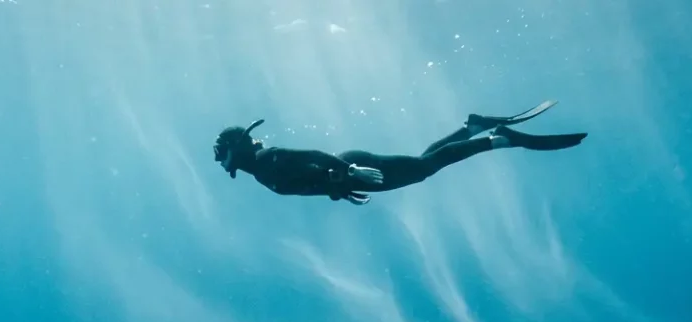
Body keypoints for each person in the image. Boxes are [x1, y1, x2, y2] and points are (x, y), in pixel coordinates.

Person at [212, 100, 586, 205]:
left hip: (354, 165)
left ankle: (498, 137)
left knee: (424, 168)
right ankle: (473, 128)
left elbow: (315, 155)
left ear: (237, 155)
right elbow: (310, 181)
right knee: (423, 163)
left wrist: (347, 172)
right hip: (350, 170)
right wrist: (338, 187)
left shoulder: (266, 162)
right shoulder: (264, 174)